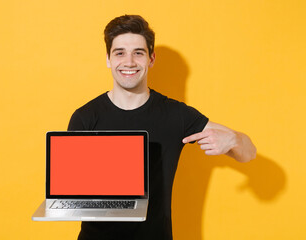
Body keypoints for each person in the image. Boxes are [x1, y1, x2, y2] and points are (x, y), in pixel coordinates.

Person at [68, 14, 256, 240]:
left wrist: (234, 140)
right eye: (120, 53)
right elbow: (72, 192)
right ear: (108, 59)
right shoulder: (85, 117)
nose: (129, 62)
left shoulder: (176, 115)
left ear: (151, 59)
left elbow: (249, 154)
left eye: (138, 53)